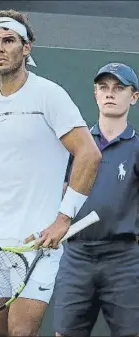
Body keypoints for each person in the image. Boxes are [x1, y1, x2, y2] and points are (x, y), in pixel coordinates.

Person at [0, 9, 101, 337]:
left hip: (37, 238)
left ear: (26, 47)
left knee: (21, 333)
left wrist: (63, 219)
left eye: (8, 40)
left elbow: (88, 154)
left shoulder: (49, 95)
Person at [52, 63, 139, 337]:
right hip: (76, 256)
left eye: (119, 88)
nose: (110, 94)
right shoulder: (76, 145)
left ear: (134, 97)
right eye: (104, 88)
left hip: (124, 259)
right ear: (95, 94)